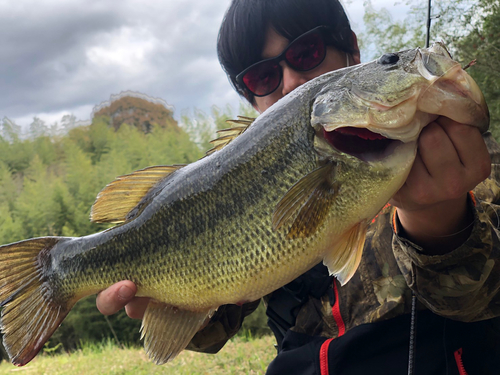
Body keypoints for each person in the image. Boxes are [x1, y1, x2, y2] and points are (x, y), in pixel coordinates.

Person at [96, 0, 500, 373]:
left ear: (352, 53)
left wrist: (441, 222)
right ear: (248, 97)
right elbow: (214, 330)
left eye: (306, 53)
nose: (289, 82)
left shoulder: (467, 160)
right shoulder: (237, 179)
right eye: (262, 76)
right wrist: (164, 296)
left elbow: (482, 301)